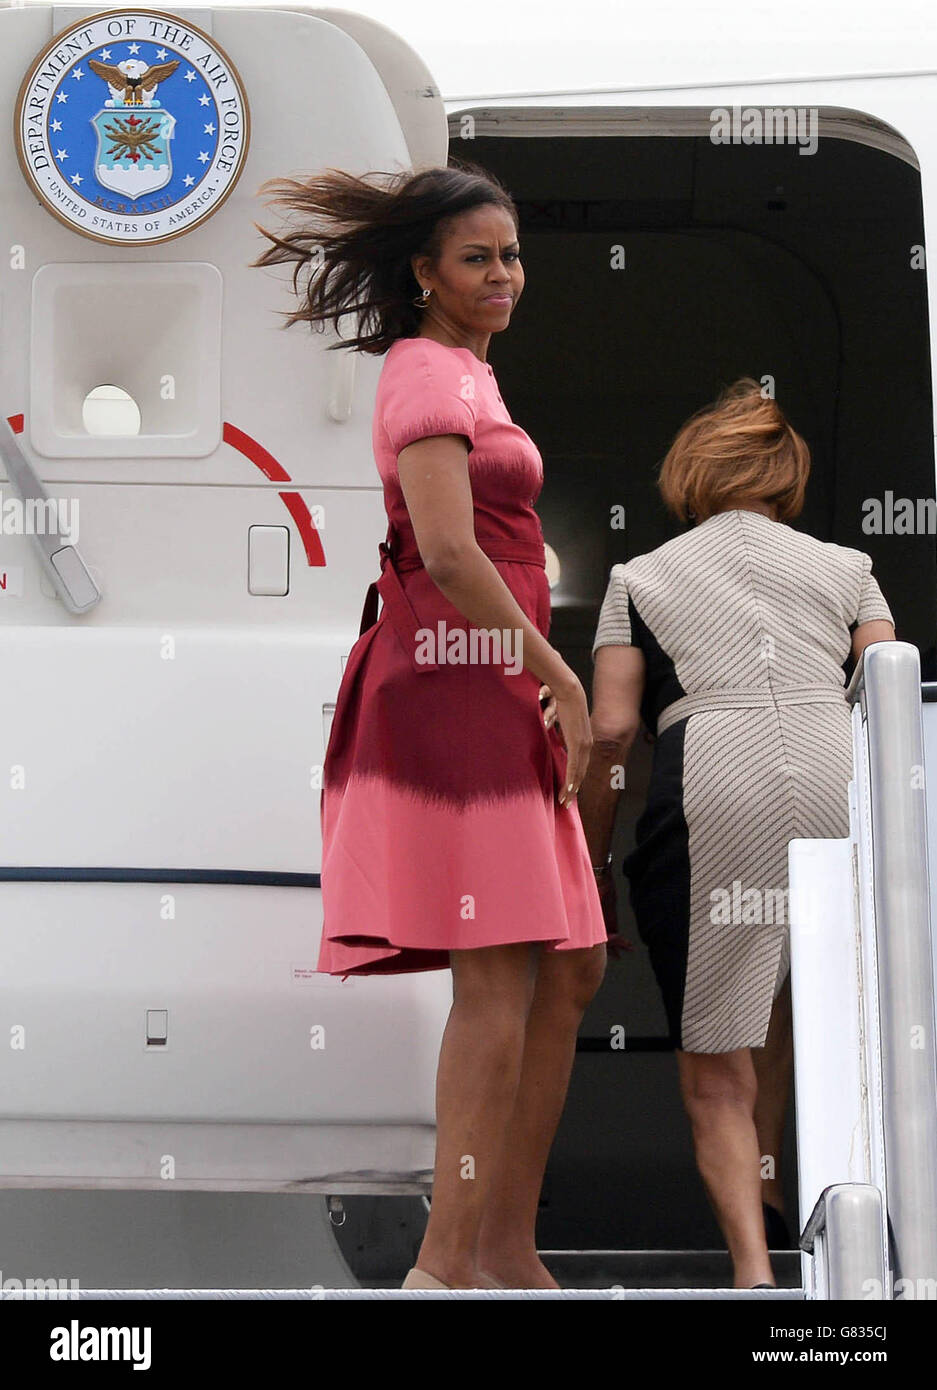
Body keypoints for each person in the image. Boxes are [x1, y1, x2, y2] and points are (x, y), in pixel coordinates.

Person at [251, 160, 608, 1291]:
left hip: (491, 682)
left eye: (510, 255)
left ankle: (503, 1244)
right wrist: (559, 671)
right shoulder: (421, 372)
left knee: (573, 968)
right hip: (458, 686)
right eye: (476, 258)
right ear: (423, 274)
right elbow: (450, 554)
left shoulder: (467, 376)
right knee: (500, 980)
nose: (502, 274)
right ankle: (449, 1266)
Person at [577, 379, 896, 1288]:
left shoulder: (639, 578)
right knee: (812, 1016)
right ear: (785, 476)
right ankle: (838, 1259)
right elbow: (887, 680)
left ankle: (755, 1277)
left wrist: (594, 862)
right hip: (837, 771)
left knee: (719, 1056)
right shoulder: (847, 567)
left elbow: (606, 731)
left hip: (712, 780)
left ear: (691, 473)